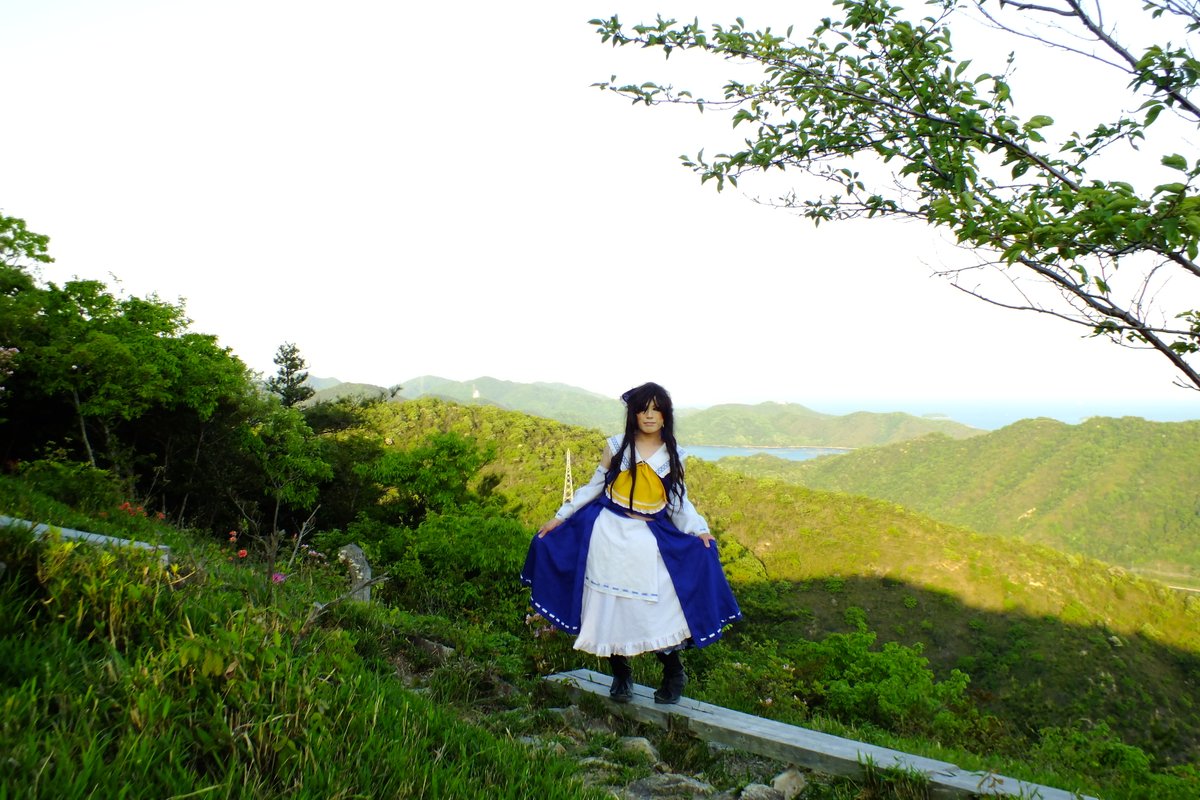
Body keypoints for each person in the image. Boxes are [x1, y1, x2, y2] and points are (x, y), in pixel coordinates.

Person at [520, 382, 741, 704]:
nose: (649, 415)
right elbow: (593, 487)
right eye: (642, 409)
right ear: (633, 414)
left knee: (653, 606)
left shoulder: (673, 455)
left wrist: (699, 531)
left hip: (647, 539)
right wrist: (560, 516)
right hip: (606, 532)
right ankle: (621, 675)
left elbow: (678, 502)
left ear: (665, 416)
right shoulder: (616, 446)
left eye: (656, 409)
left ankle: (673, 671)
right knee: (607, 605)